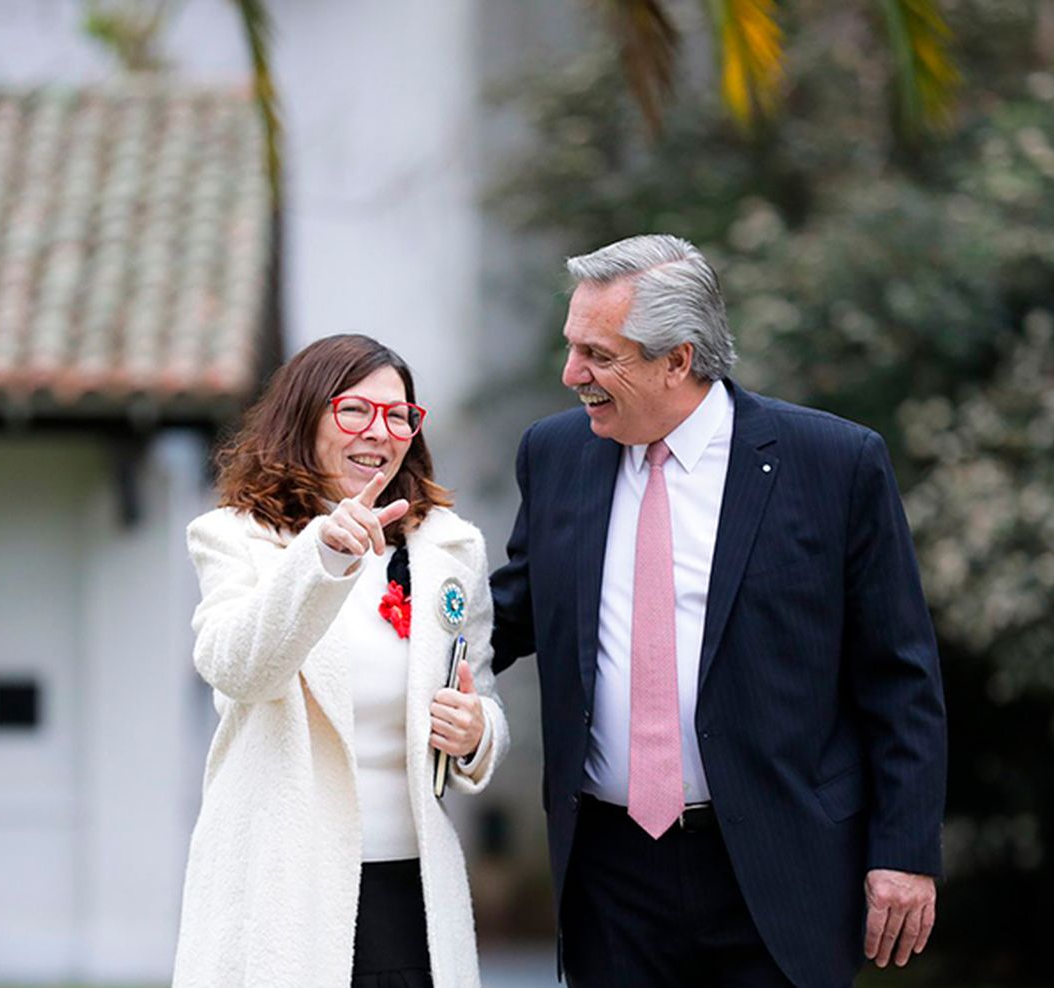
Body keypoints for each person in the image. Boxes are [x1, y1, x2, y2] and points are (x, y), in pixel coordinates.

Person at [490, 235, 947, 987]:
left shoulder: (834, 464)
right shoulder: (555, 453)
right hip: (610, 875)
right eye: (573, 347)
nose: (573, 375)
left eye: (600, 356)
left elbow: (899, 676)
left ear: (679, 359)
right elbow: (508, 612)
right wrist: (372, 596)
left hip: (781, 864)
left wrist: (903, 852)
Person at [172, 334, 509, 988]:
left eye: (399, 416)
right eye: (355, 411)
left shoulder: (450, 546)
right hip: (283, 887)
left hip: (411, 889)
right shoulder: (236, 536)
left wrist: (477, 733)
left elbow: (482, 692)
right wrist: (321, 558)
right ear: (306, 416)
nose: (379, 433)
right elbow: (238, 669)